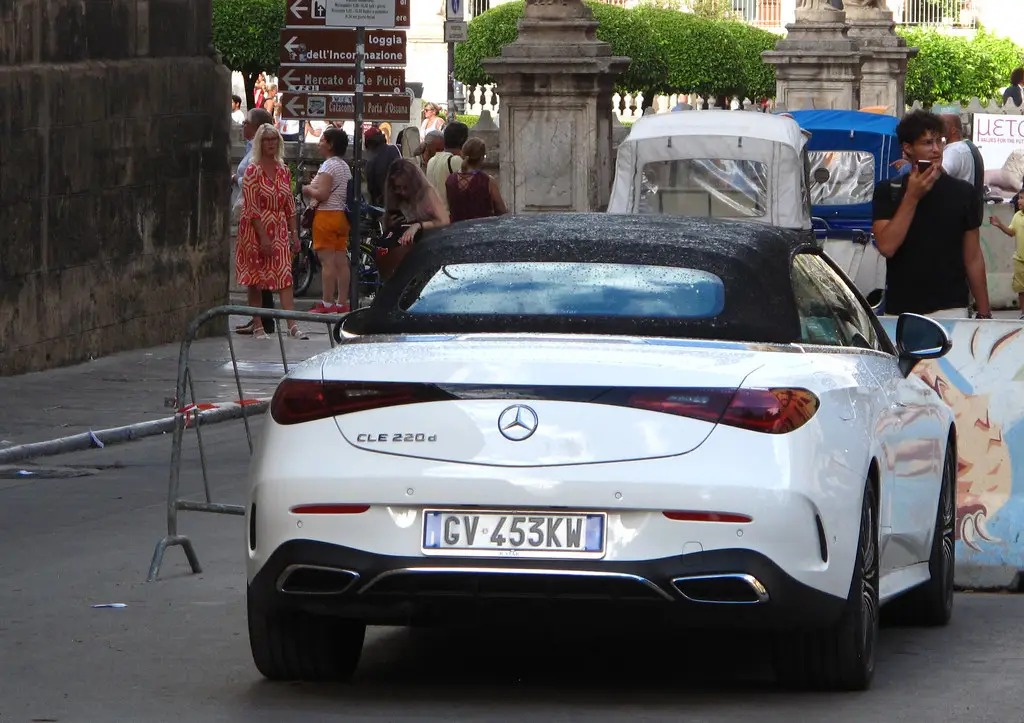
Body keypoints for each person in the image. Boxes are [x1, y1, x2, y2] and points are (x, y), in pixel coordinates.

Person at [871, 110, 991, 319]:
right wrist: (912, 197)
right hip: (902, 310)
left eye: (939, 141)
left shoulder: (963, 193)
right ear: (908, 148)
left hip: (952, 309)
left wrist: (984, 312)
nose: (936, 149)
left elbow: (973, 257)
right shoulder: (888, 191)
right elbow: (887, 247)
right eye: (927, 143)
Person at [236, 123, 307, 339]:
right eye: (266, 139)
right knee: (256, 277)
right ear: (259, 143)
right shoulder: (252, 170)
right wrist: (263, 237)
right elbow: (251, 207)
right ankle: (258, 325)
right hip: (255, 229)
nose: (271, 143)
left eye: (274, 139)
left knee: (285, 276)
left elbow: (289, 206)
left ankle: (292, 326)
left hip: (279, 228)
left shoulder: (284, 170)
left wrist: (294, 234)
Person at [232, 107, 278, 335]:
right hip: (248, 215)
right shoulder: (252, 148)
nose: (243, 125)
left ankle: (264, 321)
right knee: (255, 271)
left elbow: (258, 181)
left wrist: (237, 178)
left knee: (258, 271)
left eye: (247, 122)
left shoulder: (260, 154)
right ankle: (258, 319)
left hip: (257, 216)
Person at [302, 126, 352, 314]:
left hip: (326, 216)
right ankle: (341, 303)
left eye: (322, 140)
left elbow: (322, 194)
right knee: (341, 261)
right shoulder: (344, 167)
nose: (319, 143)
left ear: (330, 145)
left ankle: (327, 303)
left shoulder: (328, 166)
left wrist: (307, 190)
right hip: (341, 217)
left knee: (327, 263)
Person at [376, 159, 450, 279]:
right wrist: (391, 223)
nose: (402, 192)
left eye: (405, 187)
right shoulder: (394, 197)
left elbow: (444, 221)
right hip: (402, 254)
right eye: (397, 187)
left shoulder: (427, 193)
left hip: (426, 250)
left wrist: (418, 225)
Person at [445, 138, 507, 222]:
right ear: (481, 158)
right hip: (481, 230)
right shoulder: (487, 181)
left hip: (456, 230)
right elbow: (501, 209)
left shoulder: (450, 179)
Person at [940, 113, 985, 224]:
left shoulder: (954, 150)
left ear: (953, 130)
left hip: (954, 214)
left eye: (941, 124)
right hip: (967, 212)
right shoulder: (968, 146)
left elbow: (940, 174)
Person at [426, 122, 469, 212]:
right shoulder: (455, 160)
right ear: (463, 140)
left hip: (433, 215)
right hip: (449, 217)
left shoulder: (432, 160)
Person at [990, 210, 1024, 318]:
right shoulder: (1017, 215)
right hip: (1019, 259)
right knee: (1021, 288)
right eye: (1019, 198)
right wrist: (999, 225)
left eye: (1022, 198)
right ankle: (1023, 313)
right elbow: (1011, 232)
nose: (1019, 201)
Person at [364, 127, 401, 207]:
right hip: (400, 203)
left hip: (382, 206)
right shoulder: (396, 149)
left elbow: (371, 189)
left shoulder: (371, 162)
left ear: (368, 144)